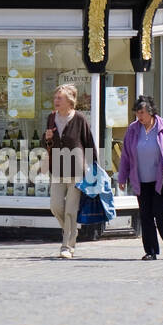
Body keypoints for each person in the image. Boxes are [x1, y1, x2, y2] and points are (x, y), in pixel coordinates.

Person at [115, 96, 163, 260]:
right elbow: (126, 156)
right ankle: (151, 251)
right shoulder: (133, 130)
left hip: (160, 181)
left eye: (141, 113)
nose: (139, 116)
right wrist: (122, 178)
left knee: (161, 216)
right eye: (137, 113)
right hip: (141, 181)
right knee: (146, 216)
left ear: (151, 112)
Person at [42, 83, 95, 259]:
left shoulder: (79, 119)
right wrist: (46, 138)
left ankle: (67, 247)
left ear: (70, 101)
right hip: (57, 168)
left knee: (71, 209)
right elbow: (47, 144)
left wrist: (92, 168)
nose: (56, 100)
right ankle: (71, 231)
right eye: (55, 97)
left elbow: (89, 143)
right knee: (56, 206)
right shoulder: (51, 117)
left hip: (76, 170)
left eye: (60, 98)